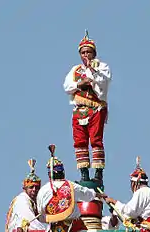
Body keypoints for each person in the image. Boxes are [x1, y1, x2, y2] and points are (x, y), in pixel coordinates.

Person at [37, 148, 105, 232]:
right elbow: (87, 194)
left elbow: (40, 213)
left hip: (56, 226)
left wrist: (49, 222)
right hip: (73, 222)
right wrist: (98, 195)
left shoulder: (43, 190)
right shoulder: (69, 185)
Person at [63, 30, 111, 183]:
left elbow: (103, 83)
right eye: (83, 53)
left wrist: (92, 72)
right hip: (79, 109)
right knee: (79, 141)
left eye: (88, 52)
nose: (86, 55)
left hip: (96, 108)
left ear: (94, 53)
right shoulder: (75, 70)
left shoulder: (102, 66)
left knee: (96, 140)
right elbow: (67, 86)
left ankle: (98, 173)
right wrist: (79, 84)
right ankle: (84, 173)